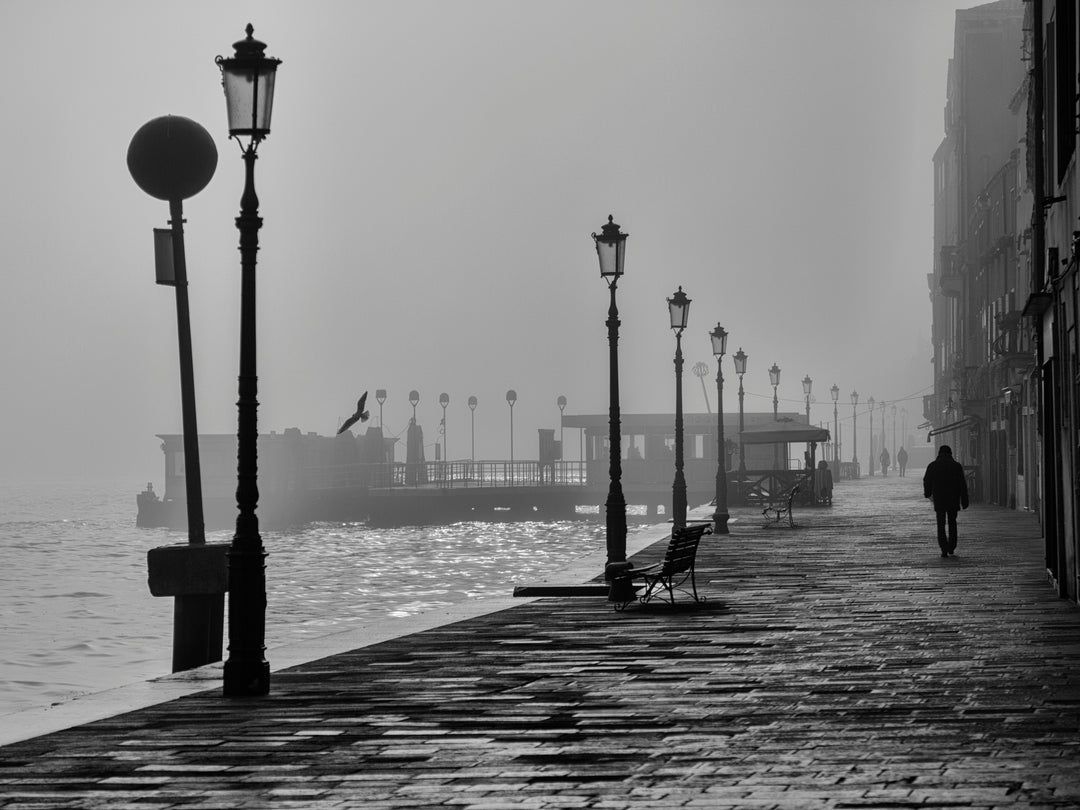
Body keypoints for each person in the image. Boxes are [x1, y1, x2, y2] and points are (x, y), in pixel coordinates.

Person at [923, 444, 969, 557]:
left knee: (941, 523)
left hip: (940, 499)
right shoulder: (956, 466)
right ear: (950, 454)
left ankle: (943, 547)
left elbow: (927, 480)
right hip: (953, 498)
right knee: (952, 522)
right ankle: (952, 546)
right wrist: (964, 500)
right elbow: (962, 484)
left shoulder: (933, 465)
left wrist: (928, 493)